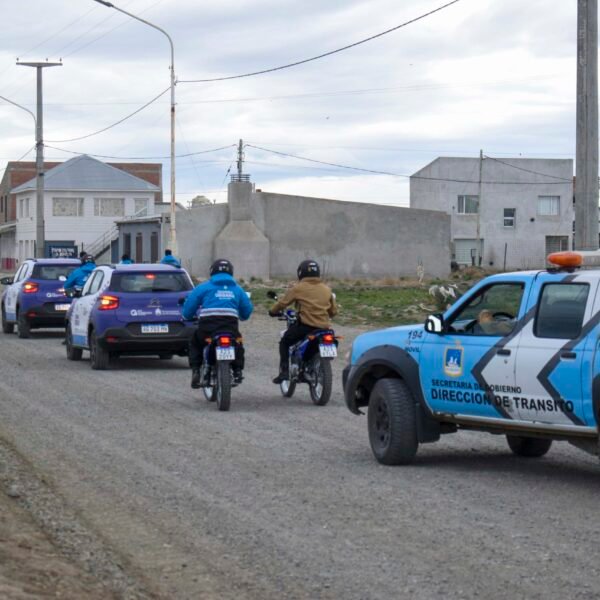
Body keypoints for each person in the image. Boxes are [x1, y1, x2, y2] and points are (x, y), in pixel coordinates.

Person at [181, 259, 253, 388]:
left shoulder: (203, 287)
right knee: (237, 343)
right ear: (231, 272)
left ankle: (196, 370)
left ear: (212, 271)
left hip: (208, 327)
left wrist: (187, 316)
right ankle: (237, 370)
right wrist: (241, 315)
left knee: (195, 342)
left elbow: (188, 309)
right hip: (230, 327)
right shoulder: (238, 289)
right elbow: (246, 312)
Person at [269, 259, 338, 384]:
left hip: (306, 327)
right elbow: (333, 312)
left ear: (301, 273)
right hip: (324, 329)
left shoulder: (298, 288)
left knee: (284, 342)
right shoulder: (327, 289)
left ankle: (284, 372)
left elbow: (283, 303)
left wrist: (272, 311)